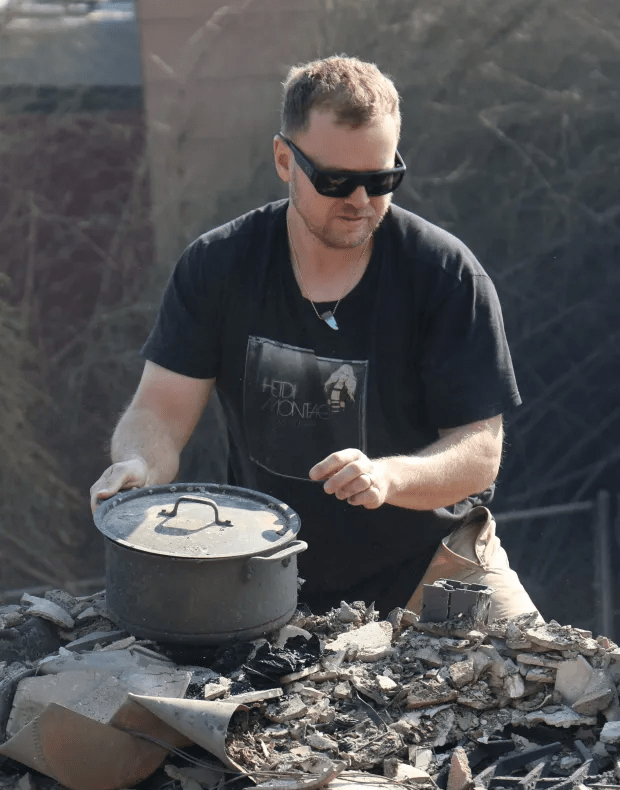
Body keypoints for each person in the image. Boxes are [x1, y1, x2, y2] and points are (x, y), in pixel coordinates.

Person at [91, 55, 541, 621]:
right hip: (266, 576)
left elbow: (479, 451)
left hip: (439, 566)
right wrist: (137, 465)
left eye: (381, 181)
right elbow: (159, 410)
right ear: (285, 159)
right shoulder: (219, 265)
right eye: (334, 181)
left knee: (555, 693)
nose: (359, 200)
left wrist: (387, 475)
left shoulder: (446, 274)